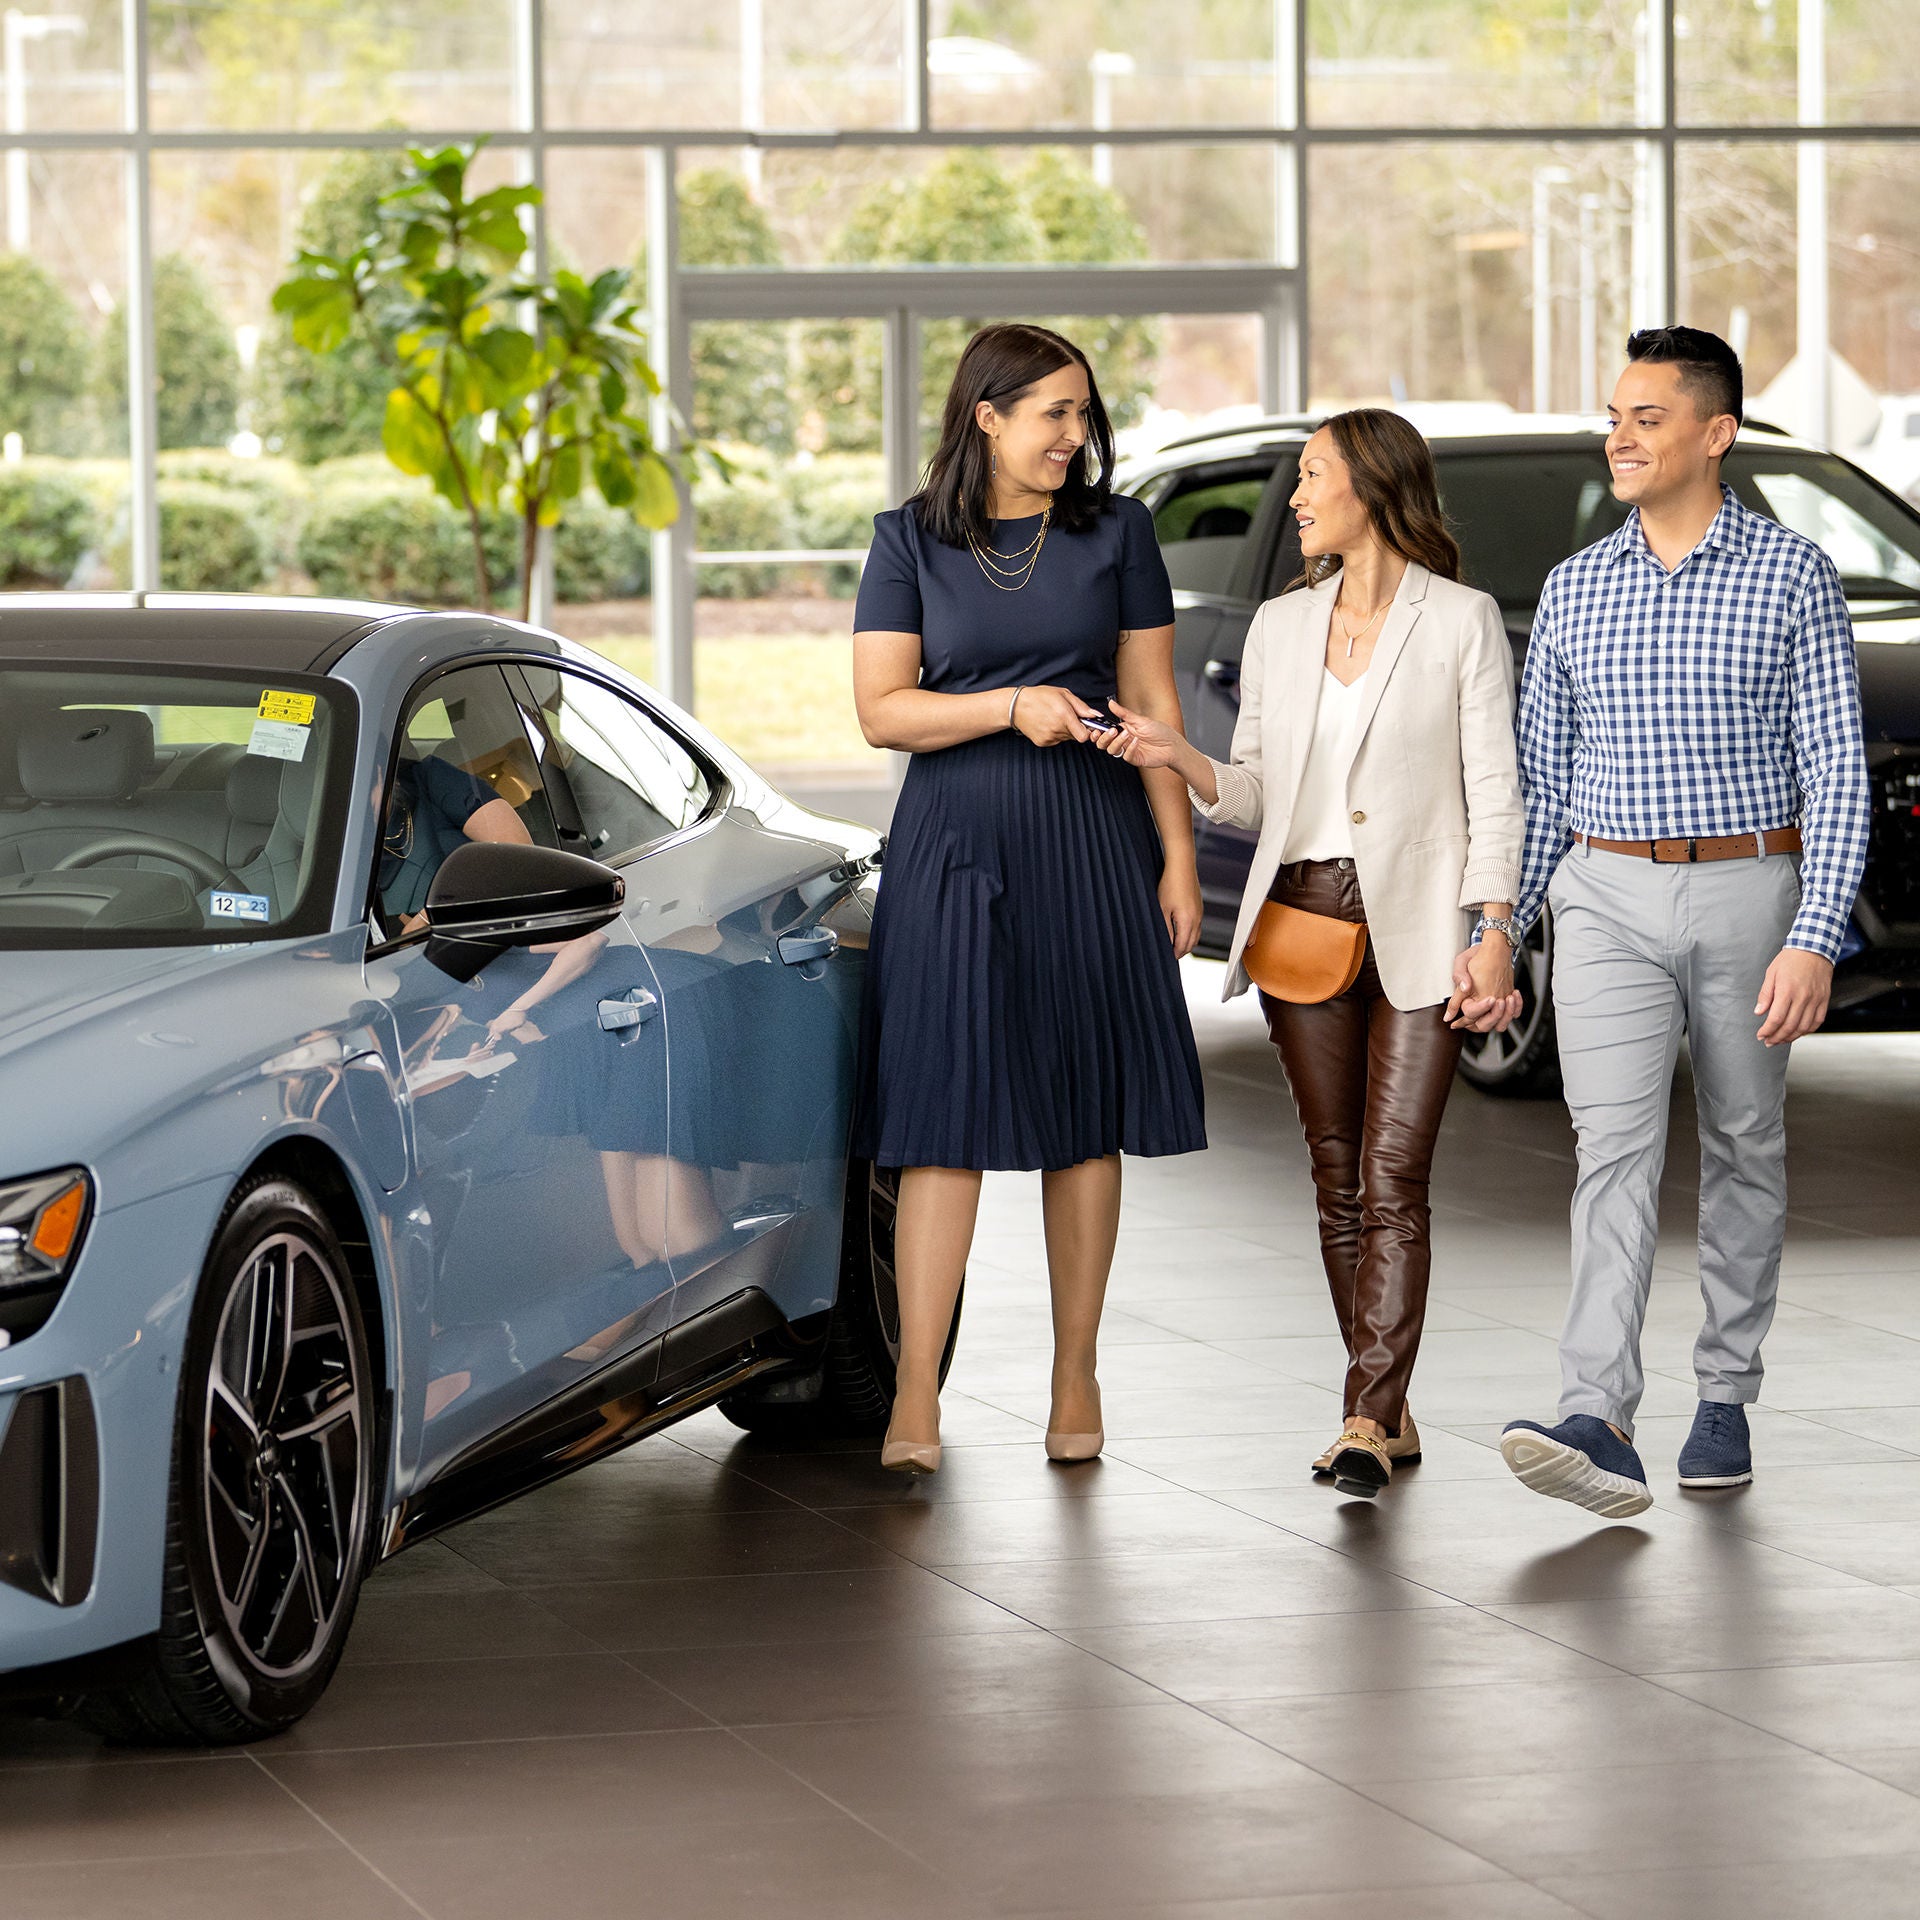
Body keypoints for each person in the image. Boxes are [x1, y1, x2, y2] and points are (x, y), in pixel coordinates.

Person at [1110, 409, 1524, 1497]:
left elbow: (1495, 790)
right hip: (1302, 920)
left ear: (1373, 488)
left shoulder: (1462, 622)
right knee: (1338, 1181)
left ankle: (1362, 1414)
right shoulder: (1282, 628)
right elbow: (1254, 792)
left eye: (1311, 477)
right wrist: (1181, 759)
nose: (1294, 498)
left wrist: (1495, 929)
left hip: (1425, 927)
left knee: (1395, 1176)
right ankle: (1382, 1407)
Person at [1498, 326, 1870, 1518]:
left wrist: (1816, 933)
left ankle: (1725, 1392)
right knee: (1610, 1152)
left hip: (1749, 888)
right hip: (1601, 894)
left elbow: (1839, 773)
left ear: (1717, 434)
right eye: (1615, 414)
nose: (1619, 436)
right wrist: (1499, 928)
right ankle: (1597, 1415)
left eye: (1647, 416)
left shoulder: (1792, 575)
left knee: (1743, 1145)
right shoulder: (1575, 586)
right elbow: (1542, 781)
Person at [852, 321, 1207, 1475]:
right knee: (939, 1114)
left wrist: (1178, 856)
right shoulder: (908, 540)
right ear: (986, 416)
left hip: (1093, 836)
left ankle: (1075, 1371)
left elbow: (1152, 700)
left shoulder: (1118, 530)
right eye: (1052, 412)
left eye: (1083, 413)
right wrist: (1011, 707)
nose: (1075, 434)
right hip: (953, 840)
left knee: (1081, 1112)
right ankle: (916, 1394)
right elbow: (884, 710)